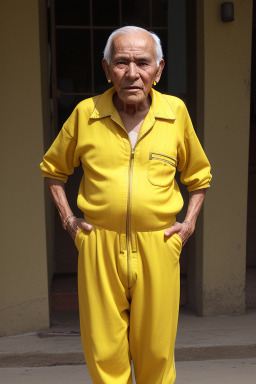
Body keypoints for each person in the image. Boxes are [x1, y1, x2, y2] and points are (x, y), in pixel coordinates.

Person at [40, 26, 211, 384]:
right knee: (104, 353)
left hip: (159, 244)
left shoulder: (175, 113)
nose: (132, 73)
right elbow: (53, 170)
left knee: (156, 353)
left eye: (142, 63)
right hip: (99, 245)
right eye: (121, 63)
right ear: (107, 69)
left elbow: (199, 176)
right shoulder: (86, 114)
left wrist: (188, 225)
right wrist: (69, 221)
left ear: (159, 69)